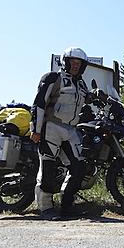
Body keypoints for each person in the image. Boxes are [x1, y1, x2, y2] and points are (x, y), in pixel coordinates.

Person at [30, 47, 91, 220]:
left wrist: (97, 97)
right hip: (51, 127)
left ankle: (67, 206)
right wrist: (35, 128)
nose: (75, 66)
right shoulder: (52, 78)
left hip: (71, 130)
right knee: (48, 167)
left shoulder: (81, 84)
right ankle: (46, 208)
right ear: (65, 61)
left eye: (79, 63)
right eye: (72, 62)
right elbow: (39, 103)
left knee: (79, 167)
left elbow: (86, 102)